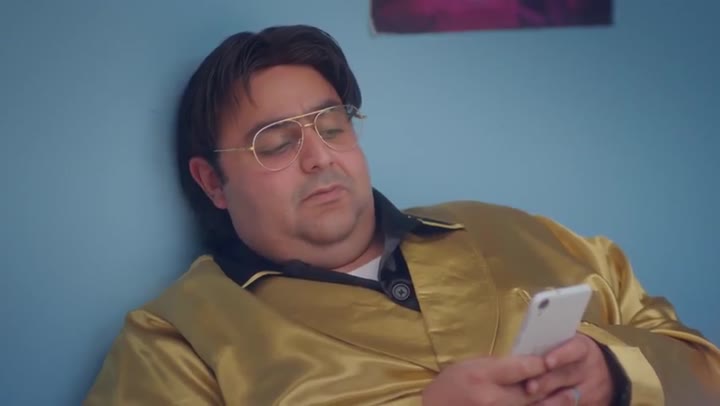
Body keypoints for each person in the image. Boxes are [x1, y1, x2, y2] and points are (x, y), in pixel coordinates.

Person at [84, 25, 720, 405]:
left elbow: (703, 369)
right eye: (275, 143)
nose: (318, 157)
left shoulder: (510, 232)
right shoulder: (176, 338)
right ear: (211, 183)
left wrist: (615, 374)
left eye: (332, 125)